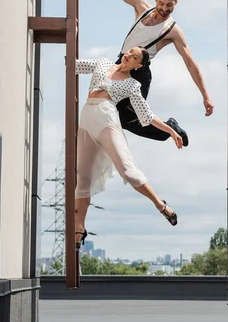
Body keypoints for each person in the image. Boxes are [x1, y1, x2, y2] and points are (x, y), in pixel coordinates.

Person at [76, 0, 214, 147]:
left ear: (176, 2)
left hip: (139, 72)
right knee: (108, 107)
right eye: (161, 4)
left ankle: (170, 129)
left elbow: (190, 63)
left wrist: (205, 96)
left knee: (132, 118)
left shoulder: (172, 31)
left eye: (170, 6)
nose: (165, 9)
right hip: (121, 62)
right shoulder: (141, 6)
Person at [74, 46, 182, 246]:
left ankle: (160, 205)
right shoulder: (102, 63)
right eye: (129, 52)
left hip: (107, 119)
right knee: (82, 177)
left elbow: (146, 116)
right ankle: (79, 227)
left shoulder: (132, 85)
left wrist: (171, 131)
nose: (128, 56)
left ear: (138, 65)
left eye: (134, 57)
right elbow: (73, 66)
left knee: (128, 172)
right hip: (86, 119)